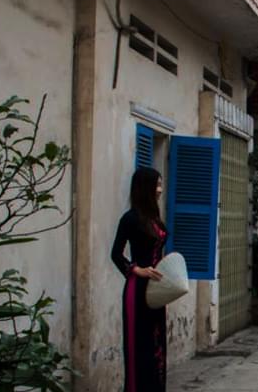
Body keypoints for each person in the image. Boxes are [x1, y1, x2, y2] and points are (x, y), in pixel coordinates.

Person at [111, 167, 169, 391]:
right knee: (139, 346)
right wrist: (137, 270)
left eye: (161, 185)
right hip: (137, 289)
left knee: (157, 344)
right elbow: (116, 254)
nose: (160, 190)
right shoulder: (130, 219)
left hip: (156, 289)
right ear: (145, 188)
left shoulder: (154, 218)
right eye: (157, 185)